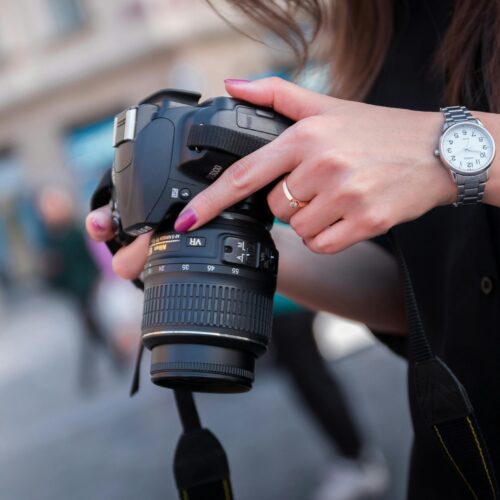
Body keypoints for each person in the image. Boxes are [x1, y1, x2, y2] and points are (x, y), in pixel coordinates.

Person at [87, 0, 500, 497]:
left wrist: (449, 153)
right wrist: (231, 235)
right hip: (461, 463)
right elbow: (417, 293)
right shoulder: (374, 28)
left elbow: (435, 161)